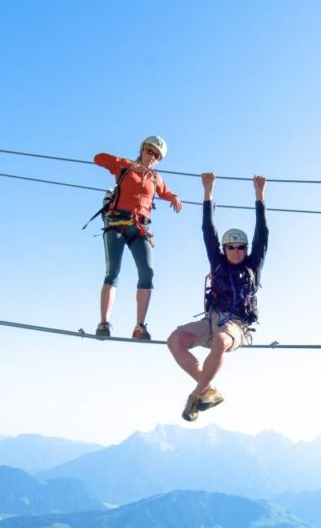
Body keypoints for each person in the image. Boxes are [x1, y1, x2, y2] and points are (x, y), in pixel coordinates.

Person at [167, 172, 268, 421]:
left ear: (247, 249)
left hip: (237, 326)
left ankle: (195, 395)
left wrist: (259, 195)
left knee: (221, 341)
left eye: (241, 246)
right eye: (230, 247)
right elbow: (207, 230)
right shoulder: (218, 262)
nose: (236, 250)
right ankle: (207, 390)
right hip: (211, 321)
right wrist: (208, 190)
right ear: (224, 249)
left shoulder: (253, 265)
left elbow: (263, 233)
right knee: (174, 340)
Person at [93, 135, 182, 340]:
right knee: (112, 272)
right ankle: (104, 323)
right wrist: (125, 164)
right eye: (149, 151)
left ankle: (140, 326)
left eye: (157, 155)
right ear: (142, 150)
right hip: (117, 223)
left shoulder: (155, 178)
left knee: (147, 274)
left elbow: (165, 192)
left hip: (140, 228)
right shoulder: (124, 167)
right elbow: (98, 158)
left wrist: (174, 196)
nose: (152, 157)